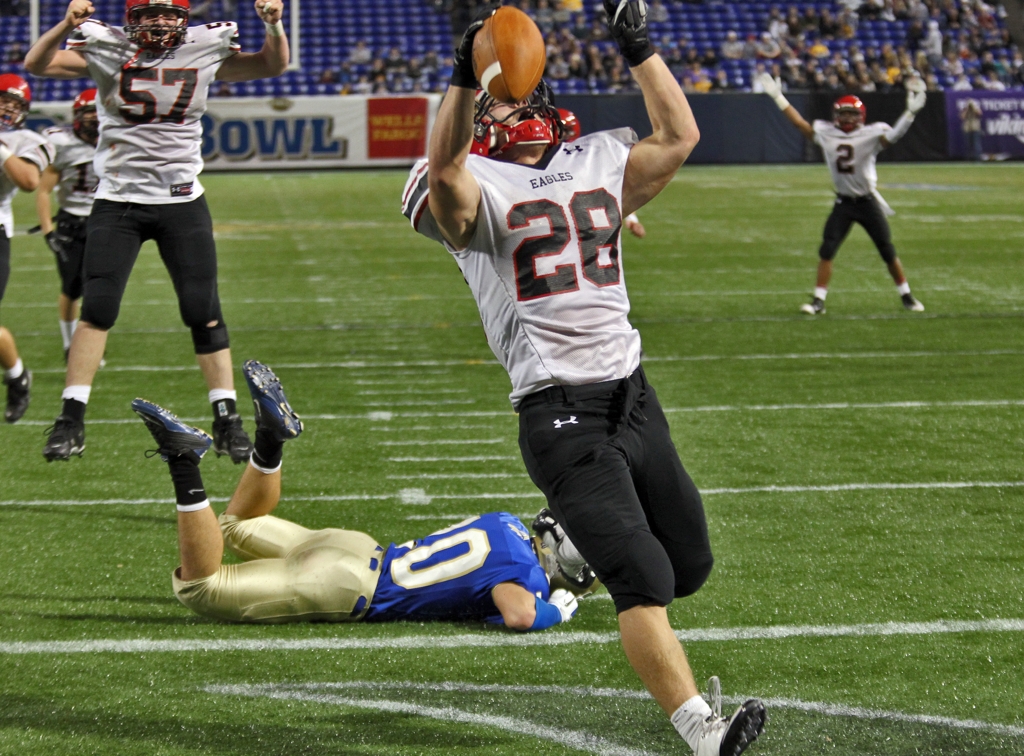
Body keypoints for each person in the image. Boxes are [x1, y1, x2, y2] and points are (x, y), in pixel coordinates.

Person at [401, 3, 766, 755]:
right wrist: (464, 77)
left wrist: (638, 45)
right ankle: (701, 729)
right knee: (643, 576)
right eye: (498, 100)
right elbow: (444, 176)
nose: (516, 105)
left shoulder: (596, 159)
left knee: (688, 563)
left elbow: (680, 136)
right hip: (560, 411)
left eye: (518, 95)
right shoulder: (469, 181)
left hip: (633, 394)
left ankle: (569, 545)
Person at [133, 360, 589, 629]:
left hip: (357, 548)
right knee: (201, 588)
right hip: (346, 586)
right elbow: (519, 614)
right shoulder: (527, 578)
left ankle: (270, 440)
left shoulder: (505, 522)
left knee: (237, 524)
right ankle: (184, 461)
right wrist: (554, 612)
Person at [25, 0, 290, 462]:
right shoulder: (108, 48)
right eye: (149, 14)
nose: (160, 22)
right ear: (132, 19)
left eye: (168, 14)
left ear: (184, 20)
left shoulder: (204, 48)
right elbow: (37, 63)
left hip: (181, 199)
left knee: (203, 310)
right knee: (98, 308)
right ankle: (70, 420)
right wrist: (65, 24)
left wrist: (275, 26)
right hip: (118, 198)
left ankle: (227, 420)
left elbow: (272, 64)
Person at [756, 73, 927, 314]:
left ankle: (906, 295)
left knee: (887, 250)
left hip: (867, 202)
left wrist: (910, 114)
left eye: (851, 114)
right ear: (836, 116)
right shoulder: (826, 133)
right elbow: (800, 124)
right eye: (843, 114)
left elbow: (894, 136)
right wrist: (778, 97)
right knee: (827, 249)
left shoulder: (871, 134)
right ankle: (818, 301)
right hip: (844, 202)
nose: (847, 118)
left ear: (861, 116)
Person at [1, 74, 55, 423]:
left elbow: (29, 180)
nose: (7, 108)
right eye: (2, 101)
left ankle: (17, 376)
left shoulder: (29, 140)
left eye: (14, 104)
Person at [37, 88, 100, 362]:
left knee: (100, 287)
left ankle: (91, 342)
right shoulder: (63, 143)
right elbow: (43, 190)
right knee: (72, 287)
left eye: (97, 112)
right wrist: (48, 232)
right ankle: (70, 344)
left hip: (104, 221)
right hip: (71, 222)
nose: (94, 118)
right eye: (88, 113)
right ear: (77, 116)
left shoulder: (117, 139)